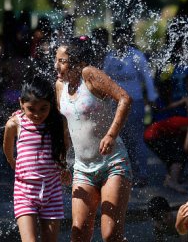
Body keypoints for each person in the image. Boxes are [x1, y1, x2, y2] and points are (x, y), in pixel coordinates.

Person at [54, 35, 133, 241]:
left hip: (113, 164)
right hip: (82, 168)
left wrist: (111, 134)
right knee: (78, 234)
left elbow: (125, 98)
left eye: (62, 61)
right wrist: (62, 161)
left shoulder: (89, 75)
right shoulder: (60, 86)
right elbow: (64, 128)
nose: (57, 66)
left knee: (110, 235)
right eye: (56, 60)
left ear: (78, 62)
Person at [2, 75, 70, 242]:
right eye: (31, 109)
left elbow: (64, 146)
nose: (37, 115)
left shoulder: (58, 122)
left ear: (50, 105)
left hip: (52, 191)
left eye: (43, 108)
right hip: (25, 192)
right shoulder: (15, 123)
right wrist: (12, 161)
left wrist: (63, 166)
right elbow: (7, 146)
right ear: (21, 104)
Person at [103, 23, 158, 187]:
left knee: (136, 139)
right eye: (118, 38)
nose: (121, 41)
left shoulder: (136, 55)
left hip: (135, 103)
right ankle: (120, 174)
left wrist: (153, 97)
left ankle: (142, 174)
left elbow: (147, 78)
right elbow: (104, 79)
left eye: (124, 37)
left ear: (129, 39)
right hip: (115, 104)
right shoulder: (110, 57)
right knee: (118, 139)